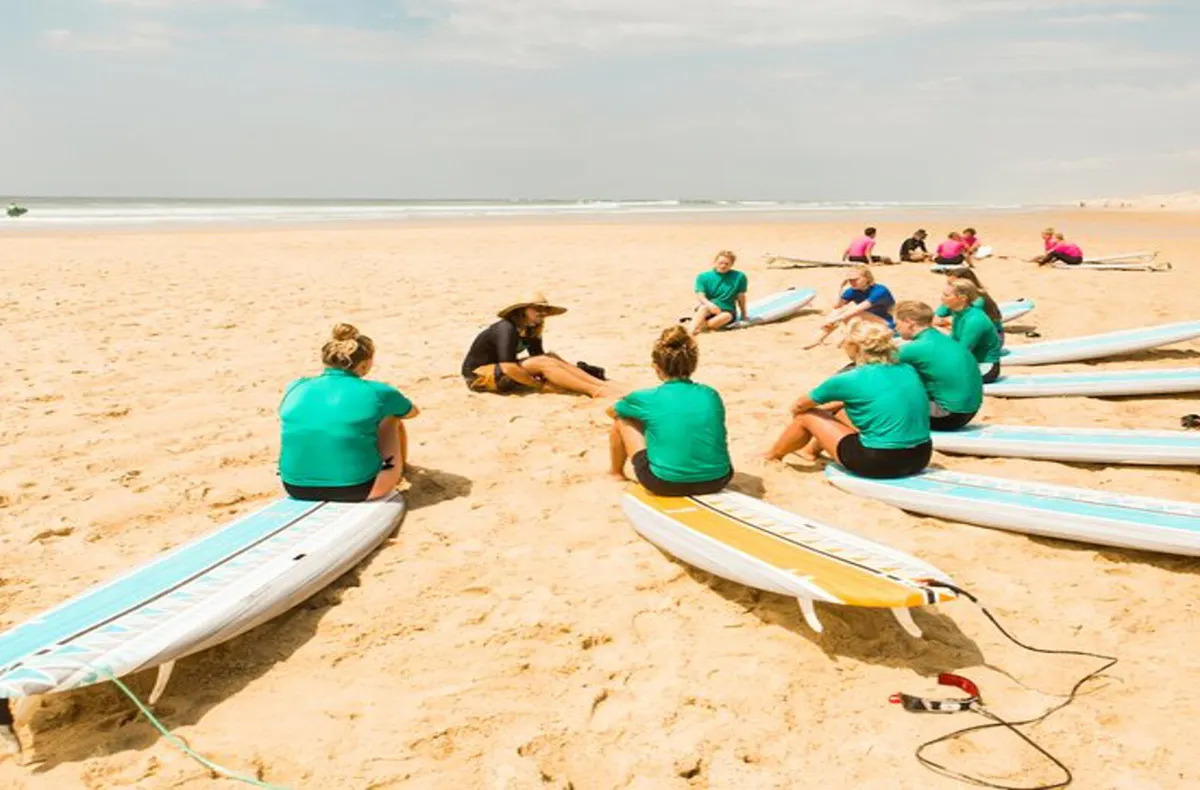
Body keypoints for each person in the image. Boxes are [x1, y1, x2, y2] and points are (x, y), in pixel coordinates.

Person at [764, 320, 931, 478]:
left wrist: (806, 414)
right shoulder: (908, 370)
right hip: (920, 457)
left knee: (806, 416)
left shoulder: (850, 378)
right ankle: (809, 451)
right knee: (844, 412)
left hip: (880, 462)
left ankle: (772, 456)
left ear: (854, 346)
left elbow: (800, 405)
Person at [279, 324, 420, 502]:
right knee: (391, 417)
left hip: (295, 487)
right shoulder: (379, 392)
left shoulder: (296, 387)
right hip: (360, 489)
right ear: (364, 365)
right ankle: (398, 471)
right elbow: (412, 412)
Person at [608, 326, 733, 495]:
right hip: (719, 480)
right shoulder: (711, 394)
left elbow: (612, 411)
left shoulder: (646, 398)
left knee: (622, 419)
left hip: (664, 482)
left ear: (656, 366)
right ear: (693, 364)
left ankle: (615, 473)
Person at [461, 292, 611, 398]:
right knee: (543, 361)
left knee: (549, 357)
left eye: (545, 309)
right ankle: (595, 390)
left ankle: (598, 384)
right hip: (479, 377)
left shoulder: (530, 329)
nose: (543, 313)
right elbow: (508, 366)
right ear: (521, 310)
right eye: (538, 308)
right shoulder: (506, 328)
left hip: (498, 372)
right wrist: (540, 386)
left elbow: (538, 356)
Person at [895, 301, 983, 431]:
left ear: (909, 322)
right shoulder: (943, 339)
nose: (896, 328)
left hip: (947, 417)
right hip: (968, 411)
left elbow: (869, 364)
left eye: (897, 324)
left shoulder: (917, 347)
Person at [805, 265, 895, 349]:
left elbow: (859, 308)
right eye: (850, 280)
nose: (852, 282)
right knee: (839, 311)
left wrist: (835, 319)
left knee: (851, 314)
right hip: (869, 322)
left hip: (888, 324)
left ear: (867, 278)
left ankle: (846, 339)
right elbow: (837, 306)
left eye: (855, 279)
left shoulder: (880, 290)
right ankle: (819, 339)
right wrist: (841, 289)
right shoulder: (853, 291)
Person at [941, 280, 1003, 382]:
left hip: (986, 368)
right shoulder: (958, 313)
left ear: (962, 298)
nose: (942, 298)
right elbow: (953, 340)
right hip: (970, 361)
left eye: (946, 295)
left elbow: (963, 351)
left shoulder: (975, 320)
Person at [934, 268, 1006, 346]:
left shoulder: (978, 300)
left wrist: (946, 323)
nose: (949, 286)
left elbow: (972, 324)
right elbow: (938, 315)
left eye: (952, 283)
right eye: (948, 283)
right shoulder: (954, 298)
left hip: (992, 338)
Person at [690, 250, 748, 335]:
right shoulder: (703, 276)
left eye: (727, 264)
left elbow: (741, 297)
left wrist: (743, 314)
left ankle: (701, 325)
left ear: (732, 264)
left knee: (725, 317)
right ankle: (690, 332)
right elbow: (700, 295)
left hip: (727, 310)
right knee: (703, 308)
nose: (723, 266)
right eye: (720, 263)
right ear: (715, 262)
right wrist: (710, 305)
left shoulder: (739, 277)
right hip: (709, 307)